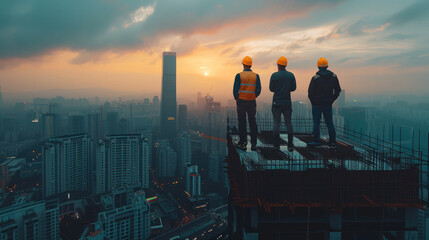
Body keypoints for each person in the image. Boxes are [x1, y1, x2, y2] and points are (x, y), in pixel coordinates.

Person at [307, 57, 341, 148]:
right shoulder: (334, 77)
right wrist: (331, 100)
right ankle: (332, 141)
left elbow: (310, 93)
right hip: (327, 105)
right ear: (327, 66)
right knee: (329, 123)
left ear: (318, 67)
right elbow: (338, 91)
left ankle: (316, 141)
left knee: (316, 123)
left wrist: (314, 102)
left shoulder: (315, 78)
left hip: (317, 105)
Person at [233, 56, 261, 151]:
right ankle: (254, 144)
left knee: (242, 122)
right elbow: (258, 89)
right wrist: (253, 96)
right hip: (252, 102)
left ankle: (243, 143)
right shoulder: (256, 76)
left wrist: (237, 98)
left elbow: (235, 90)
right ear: (251, 65)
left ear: (243, 65)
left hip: (241, 101)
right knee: (252, 122)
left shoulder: (239, 75)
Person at [269, 56, 296, 152]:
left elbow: (271, 89)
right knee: (288, 123)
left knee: (276, 123)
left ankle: (276, 145)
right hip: (287, 102)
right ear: (285, 65)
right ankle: (290, 145)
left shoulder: (274, 75)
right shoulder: (291, 75)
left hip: (277, 102)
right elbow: (293, 88)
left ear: (278, 65)